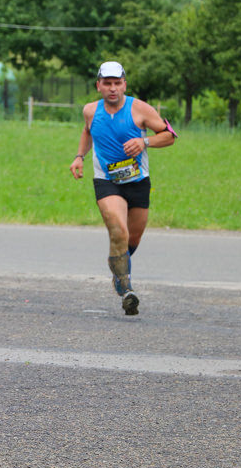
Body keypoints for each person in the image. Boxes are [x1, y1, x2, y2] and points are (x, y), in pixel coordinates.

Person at [69, 61, 177, 315]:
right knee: (119, 230)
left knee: (132, 238)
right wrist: (79, 157)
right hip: (106, 181)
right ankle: (126, 288)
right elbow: (87, 131)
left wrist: (144, 141)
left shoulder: (140, 109)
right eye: (107, 83)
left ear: (124, 85)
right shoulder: (90, 111)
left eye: (117, 83)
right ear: (99, 86)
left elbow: (170, 135)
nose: (113, 88)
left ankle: (117, 270)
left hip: (138, 181)